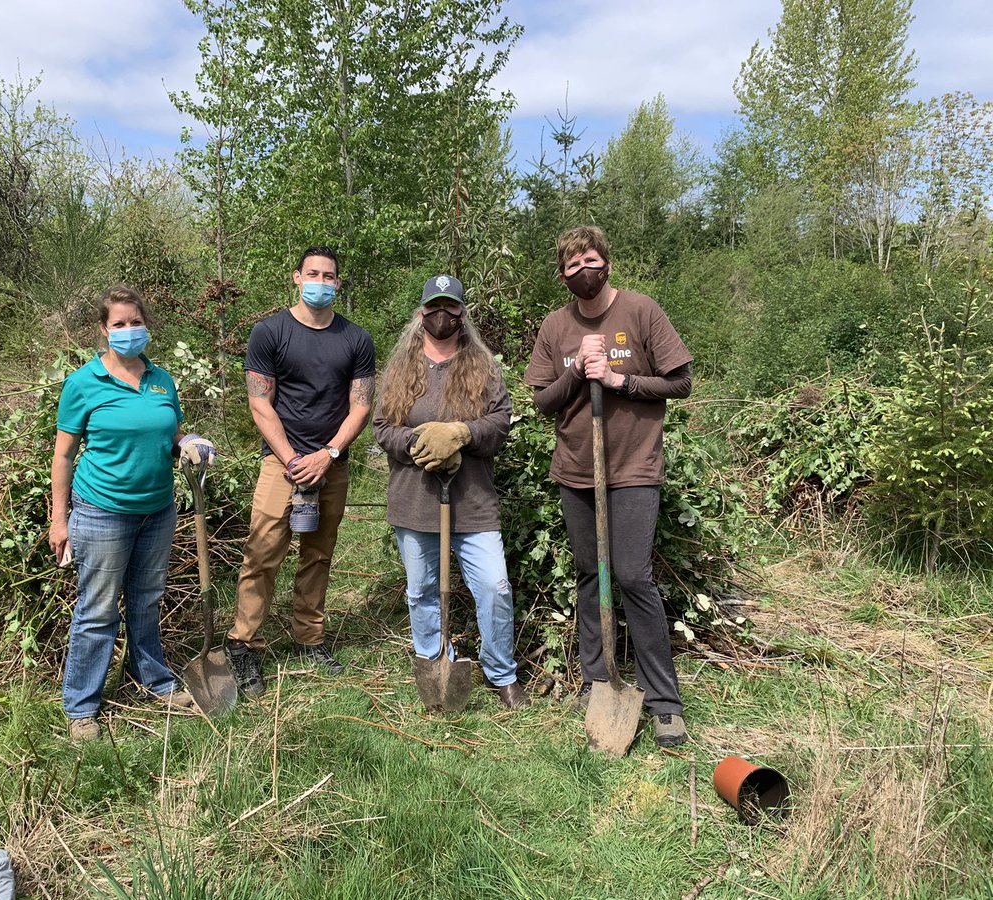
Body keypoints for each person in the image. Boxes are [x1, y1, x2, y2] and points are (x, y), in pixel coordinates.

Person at [525, 226, 693, 747]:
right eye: (572, 266)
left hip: (634, 467)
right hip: (577, 468)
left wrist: (620, 381)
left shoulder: (641, 312)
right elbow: (542, 402)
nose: (583, 272)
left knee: (632, 575)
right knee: (588, 573)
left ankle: (663, 701)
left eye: (590, 261)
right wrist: (577, 370)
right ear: (562, 276)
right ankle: (598, 680)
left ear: (608, 265)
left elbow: (681, 382)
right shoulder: (555, 327)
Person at [49, 285, 217, 741]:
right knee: (98, 610)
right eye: (118, 324)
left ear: (148, 326)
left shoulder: (162, 380)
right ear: (103, 331)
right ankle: (81, 707)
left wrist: (187, 443)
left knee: (146, 600)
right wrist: (59, 519)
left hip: (157, 509)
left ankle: (154, 681)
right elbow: (64, 456)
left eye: (135, 322)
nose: (128, 331)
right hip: (102, 511)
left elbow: (171, 432)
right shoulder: (84, 383)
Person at [373, 275, 529, 710]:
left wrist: (462, 432)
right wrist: (418, 445)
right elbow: (383, 428)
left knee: (494, 586)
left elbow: (500, 422)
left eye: (451, 306)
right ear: (422, 313)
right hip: (415, 501)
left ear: (462, 313)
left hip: (474, 504)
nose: (443, 314)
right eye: (434, 306)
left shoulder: (481, 366)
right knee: (422, 591)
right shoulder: (401, 369)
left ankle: (501, 673)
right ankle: (433, 661)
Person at [226, 246, 376, 697]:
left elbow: (361, 405)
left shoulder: (356, 339)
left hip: (332, 465)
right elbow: (260, 403)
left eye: (329, 276)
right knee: (262, 554)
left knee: (319, 554)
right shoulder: (270, 332)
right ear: (296, 277)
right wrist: (293, 459)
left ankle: (309, 639)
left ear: (338, 284)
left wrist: (327, 454)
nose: (321, 282)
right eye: (313, 273)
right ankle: (242, 643)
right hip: (281, 465)